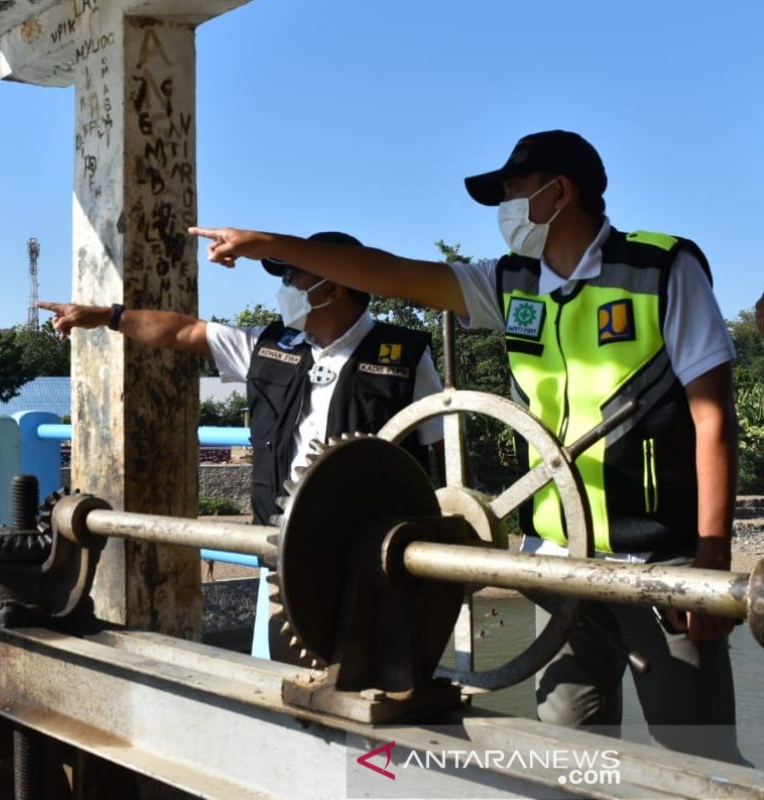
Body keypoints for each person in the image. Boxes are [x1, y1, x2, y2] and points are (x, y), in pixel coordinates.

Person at [190, 130, 743, 762]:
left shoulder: (661, 269)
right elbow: (394, 275)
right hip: (557, 561)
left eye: (512, 190)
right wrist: (271, 244)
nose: (503, 207)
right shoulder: (510, 283)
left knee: (700, 759)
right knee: (570, 755)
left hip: (660, 565)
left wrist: (710, 561)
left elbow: (713, 420)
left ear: (559, 193)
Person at [37, 230, 445, 661]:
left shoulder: (403, 356)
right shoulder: (267, 345)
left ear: (333, 284)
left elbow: (437, 454)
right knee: (295, 682)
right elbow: (183, 332)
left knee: (379, 676)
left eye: (294, 276)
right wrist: (107, 316)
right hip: (287, 550)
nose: (284, 288)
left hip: (373, 553)